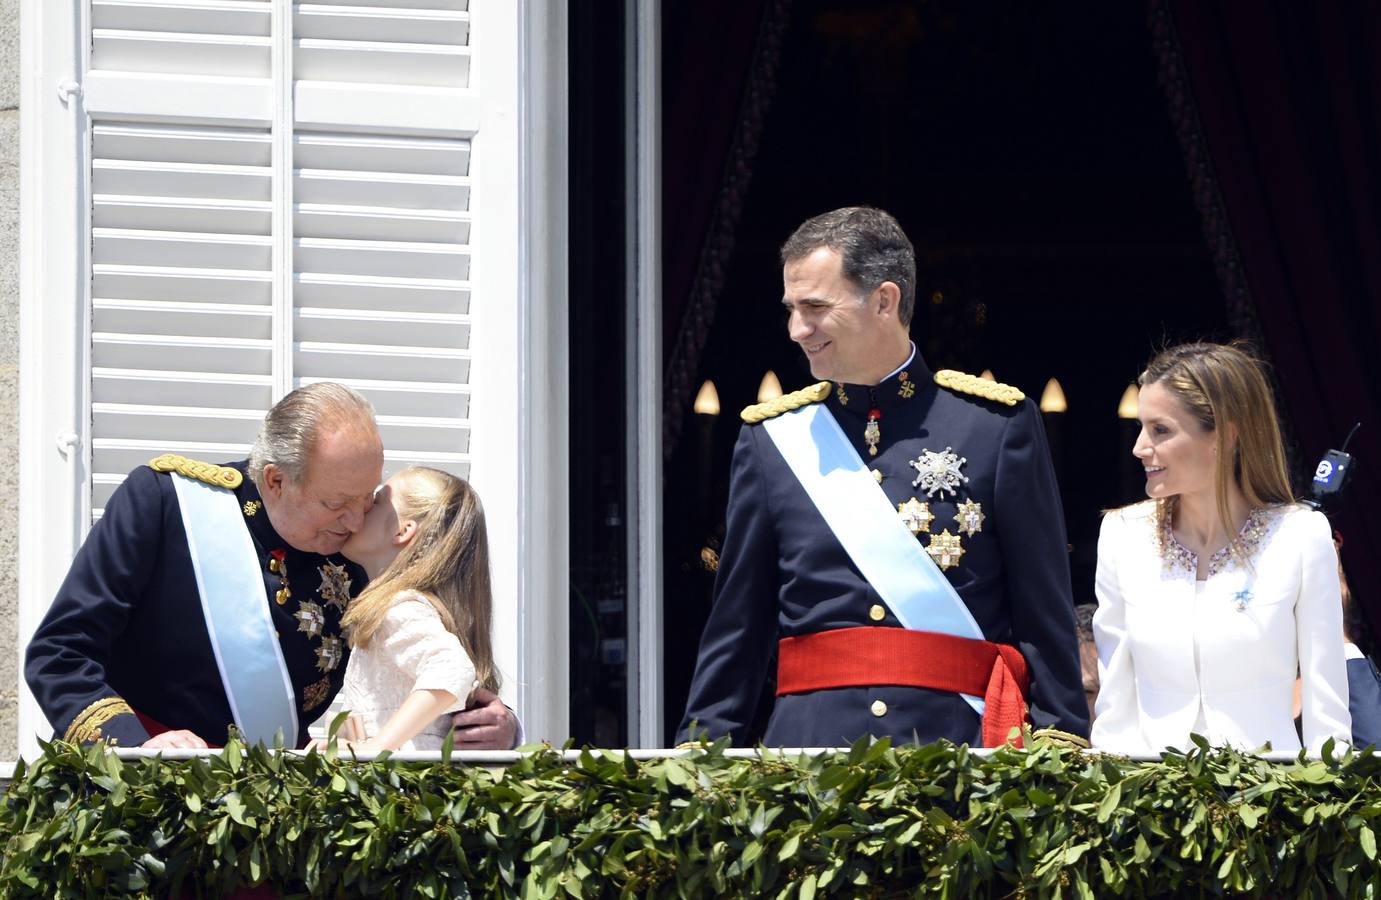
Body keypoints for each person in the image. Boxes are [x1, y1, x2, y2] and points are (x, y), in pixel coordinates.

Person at [677, 206, 1089, 748]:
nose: (797, 330)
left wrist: (1060, 739)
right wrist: (701, 751)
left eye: (816, 308)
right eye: (792, 310)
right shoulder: (771, 440)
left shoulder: (995, 427)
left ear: (885, 300)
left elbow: (1043, 610)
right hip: (810, 762)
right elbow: (738, 627)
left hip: (957, 759)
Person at [25, 383, 519, 751]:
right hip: (154, 807)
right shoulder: (168, 505)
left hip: (292, 829)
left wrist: (496, 723)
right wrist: (131, 749)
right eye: (336, 503)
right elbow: (60, 654)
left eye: (365, 499)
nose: (354, 519)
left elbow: (425, 664)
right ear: (276, 481)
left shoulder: (362, 550)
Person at [1091, 342, 1350, 755]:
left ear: (1226, 436)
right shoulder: (1122, 535)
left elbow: (1327, 712)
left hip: (1271, 804)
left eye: (1160, 430)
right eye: (1142, 428)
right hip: (1149, 801)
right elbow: (1115, 709)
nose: (1139, 447)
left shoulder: (1301, 536)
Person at [309, 466, 498, 752]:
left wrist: (377, 749)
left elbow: (452, 669)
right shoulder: (402, 604)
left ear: (403, 530)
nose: (363, 507)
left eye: (378, 500)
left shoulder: (400, 607)